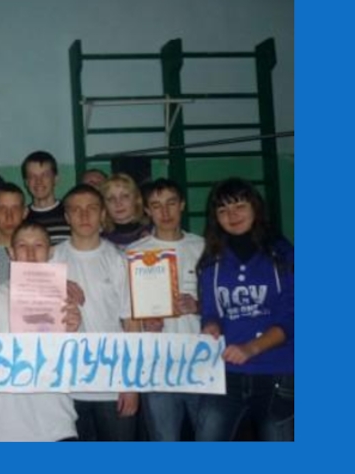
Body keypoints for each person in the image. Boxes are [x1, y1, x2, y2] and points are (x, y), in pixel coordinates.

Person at [195, 178, 294, 442]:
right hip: (226, 373)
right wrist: (211, 325)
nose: (232, 215)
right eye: (223, 210)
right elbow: (210, 310)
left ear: (255, 208)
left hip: (276, 372)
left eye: (240, 206)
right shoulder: (211, 260)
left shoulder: (284, 254)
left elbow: (293, 317)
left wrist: (252, 347)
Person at [0, 222, 81, 442]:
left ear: (50, 252)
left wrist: (74, 332)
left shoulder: (66, 302)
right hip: (1, 427)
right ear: (11, 253)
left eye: (38, 245)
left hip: (57, 424)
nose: (30, 253)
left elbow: (77, 367)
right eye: (22, 246)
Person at [52, 184, 139, 442]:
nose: (84, 215)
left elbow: (132, 324)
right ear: (67, 217)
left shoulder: (118, 260)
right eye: (76, 210)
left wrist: (131, 384)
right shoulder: (51, 259)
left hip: (113, 384)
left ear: (102, 214)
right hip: (66, 387)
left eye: (91, 208)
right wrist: (55, 284)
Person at [126, 178, 205, 441]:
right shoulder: (133, 253)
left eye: (171, 203)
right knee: (164, 438)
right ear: (147, 210)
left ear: (182, 205)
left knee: (209, 437)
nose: (165, 212)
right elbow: (124, 310)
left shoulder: (204, 247)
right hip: (157, 362)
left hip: (200, 358)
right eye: (156, 205)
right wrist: (143, 321)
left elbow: (222, 303)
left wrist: (198, 305)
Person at [21, 151, 71, 245]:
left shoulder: (71, 212)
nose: (38, 181)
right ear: (26, 182)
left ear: (55, 179)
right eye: (32, 176)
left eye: (45, 175)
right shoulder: (21, 218)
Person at [100, 173, 151, 250]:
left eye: (125, 196)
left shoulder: (153, 233)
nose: (118, 203)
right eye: (111, 198)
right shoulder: (98, 239)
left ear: (136, 199)